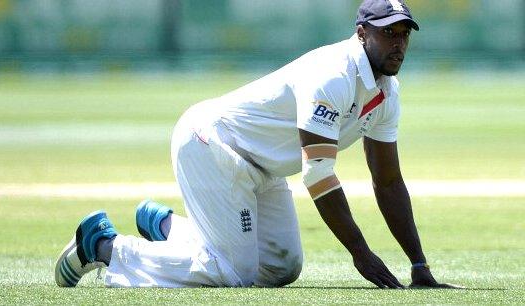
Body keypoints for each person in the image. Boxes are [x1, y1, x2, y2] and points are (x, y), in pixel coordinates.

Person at [56, 0, 459, 289]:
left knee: (281, 267)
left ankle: (164, 226)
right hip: (212, 143)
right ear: (361, 34)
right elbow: (318, 173)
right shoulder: (333, 74)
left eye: (404, 33)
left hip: (260, 166)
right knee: (233, 273)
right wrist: (360, 251)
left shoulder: (388, 92)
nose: (399, 43)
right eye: (388, 32)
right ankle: (105, 246)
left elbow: (387, 181)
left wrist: (418, 264)